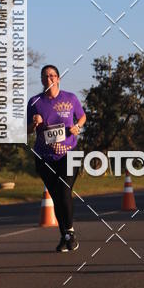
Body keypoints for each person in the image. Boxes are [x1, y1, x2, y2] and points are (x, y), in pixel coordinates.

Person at [27, 65, 86, 251]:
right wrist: (34, 123)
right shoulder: (34, 101)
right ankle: (65, 236)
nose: (49, 78)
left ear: (58, 79)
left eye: (52, 75)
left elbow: (82, 117)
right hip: (45, 156)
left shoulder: (70, 98)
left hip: (70, 153)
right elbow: (28, 130)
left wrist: (78, 126)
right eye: (45, 76)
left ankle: (70, 232)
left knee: (64, 190)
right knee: (55, 197)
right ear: (42, 80)